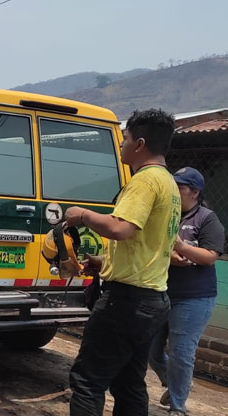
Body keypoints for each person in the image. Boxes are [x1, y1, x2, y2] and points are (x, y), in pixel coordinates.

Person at [63, 108, 182, 416]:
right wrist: (104, 262)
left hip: (125, 304)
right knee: (129, 383)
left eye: (125, 138)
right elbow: (148, 245)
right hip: (152, 300)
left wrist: (82, 215)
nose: (121, 145)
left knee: (87, 381)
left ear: (140, 144)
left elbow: (119, 228)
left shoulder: (145, 181)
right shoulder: (170, 184)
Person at [149, 167, 225, 415]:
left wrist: (182, 246)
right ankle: (176, 384)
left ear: (194, 192)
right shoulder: (166, 214)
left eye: (179, 187)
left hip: (194, 297)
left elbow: (209, 256)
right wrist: (171, 255)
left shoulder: (206, 219)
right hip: (161, 290)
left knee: (181, 353)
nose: (174, 191)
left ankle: (177, 407)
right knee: (151, 350)